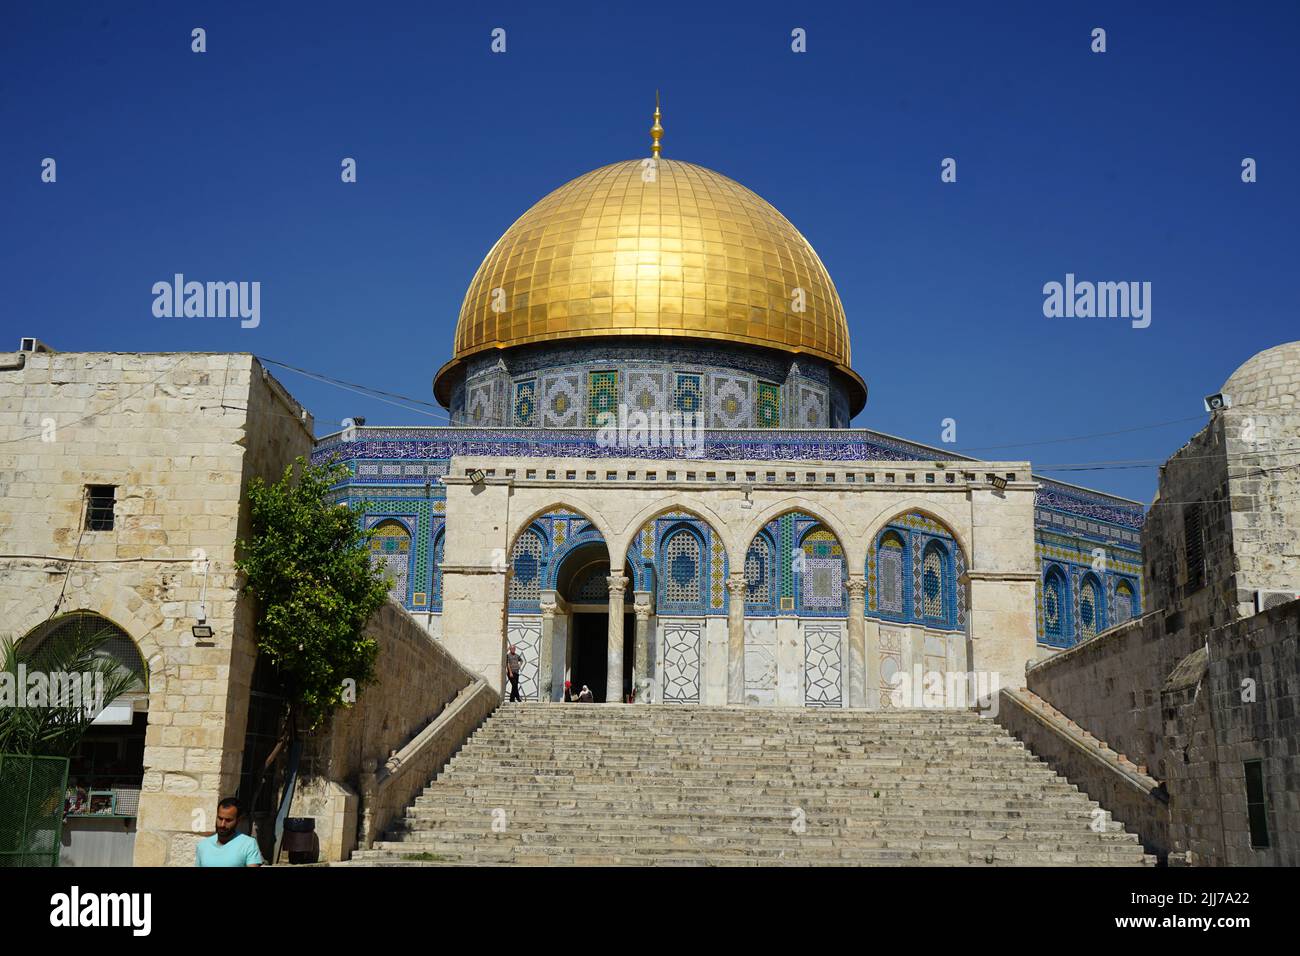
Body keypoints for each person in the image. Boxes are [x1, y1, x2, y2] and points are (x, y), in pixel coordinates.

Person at [195, 797, 265, 867]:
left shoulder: (248, 844)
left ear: (238, 820)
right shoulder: (203, 845)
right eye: (220, 818)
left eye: (228, 820)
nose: (222, 824)